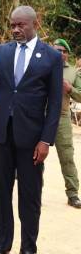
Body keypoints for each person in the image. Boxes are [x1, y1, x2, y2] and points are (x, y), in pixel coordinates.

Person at [0, 6, 62, 254]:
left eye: (21, 25)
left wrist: (46, 140)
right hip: (0, 135)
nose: (15, 29)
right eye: (12, 25)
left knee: (30, 195)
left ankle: (28, 250)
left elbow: (55, 104)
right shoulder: (0, 51)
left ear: (36, 23)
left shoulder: (51, 57)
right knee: (0, 192)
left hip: (32, 139)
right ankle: (1, 246)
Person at [53, 38, 81, 208]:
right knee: (35, 158)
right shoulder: (42, 66)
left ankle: (73, 194)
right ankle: (34, 192)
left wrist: (70, 89)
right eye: (57, 50)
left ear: (67, 54)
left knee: (67, 157)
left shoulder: (73, 72)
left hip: (62, 117)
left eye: (64, 52)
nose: (61, 54)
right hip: (40, 117)